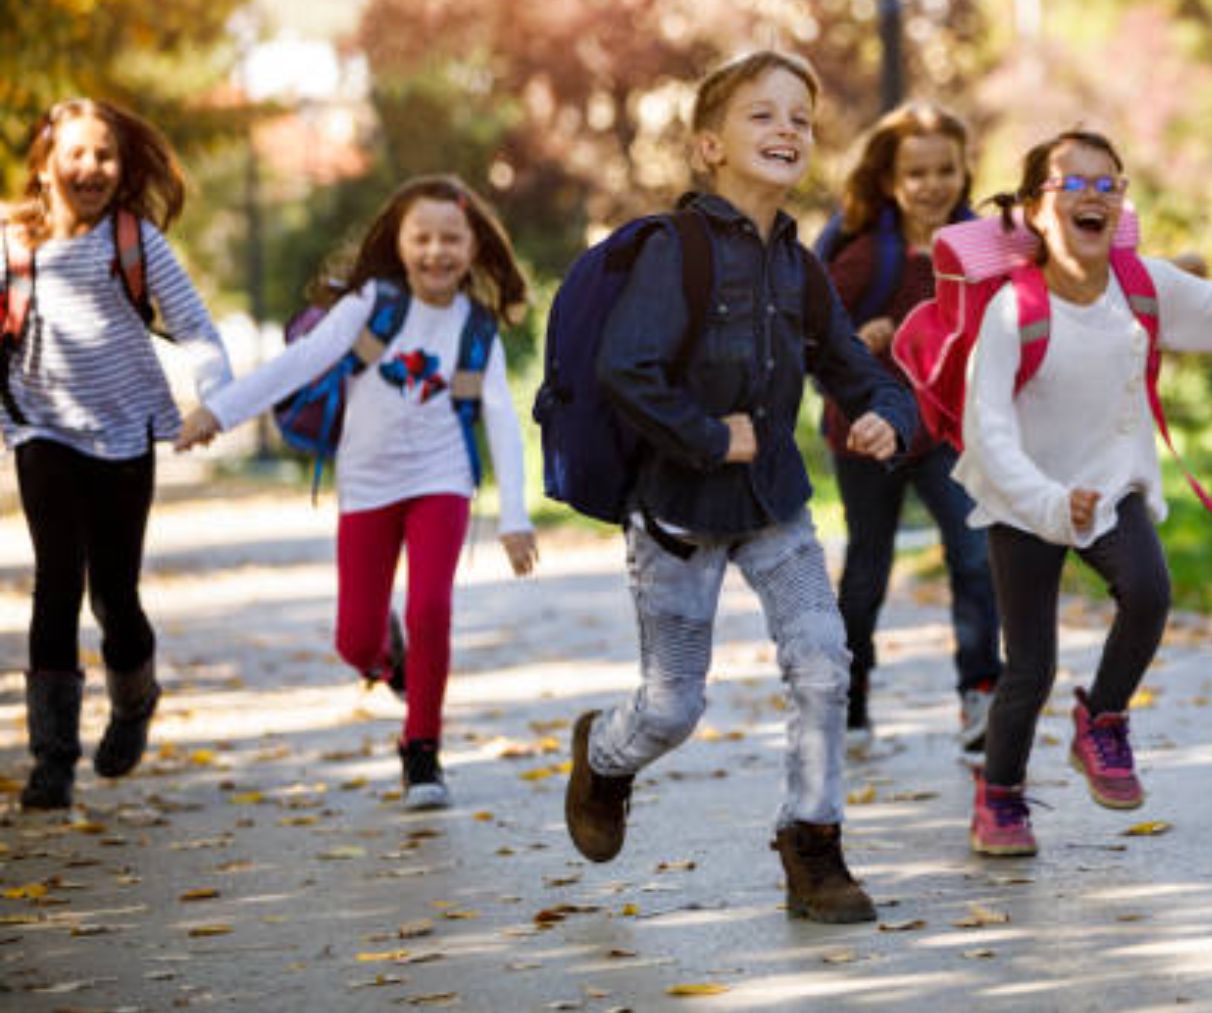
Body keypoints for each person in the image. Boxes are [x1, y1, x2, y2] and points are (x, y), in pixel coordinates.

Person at [559, 50, 918, 925]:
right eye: (763, 115)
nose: (787, 129)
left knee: (825, 663)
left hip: (775, 509)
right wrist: (710, 435)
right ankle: (603, 756)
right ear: (708, 146)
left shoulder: (799, 266)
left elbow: (854, 366)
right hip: (676, 516)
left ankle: (814, 845)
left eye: (800, 116)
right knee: (673, 708)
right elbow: (625, 368)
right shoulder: (673, 251)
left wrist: (889, 416)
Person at [953, 130, 1212, 856]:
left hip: (1111, 485)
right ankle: (1000, 796)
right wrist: (1043, 500)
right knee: (1028, 668)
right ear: (1037, 210)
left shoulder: (1142, 287)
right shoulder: (1013, 312)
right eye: (1073, 184)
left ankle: (1102, 718)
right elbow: (989, 431)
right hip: (1025, 500)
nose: (1094, 195)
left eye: (1109, 183)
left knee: (1151, 588)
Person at [176, 174, 538, 810]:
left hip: (441, 481)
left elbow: (503, 419)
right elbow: (299, 363)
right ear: (397, 243)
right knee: (355, 642)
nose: (436, 251)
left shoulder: (475, 328)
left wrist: (514, 516)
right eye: (421, 237)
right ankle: (392, 663)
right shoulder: (371, 304)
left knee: (431, 609)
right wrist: (220, 412)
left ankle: (422, 750)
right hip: (368, 486)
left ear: (474, 247)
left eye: (451, 239)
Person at [2, 98, 234, 810]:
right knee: (56, 582)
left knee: (114, 593)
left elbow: (195, 324)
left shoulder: (134, 240)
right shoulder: (13, 244)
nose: (91, 167)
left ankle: (134, 700)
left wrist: (211, 400)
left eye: (105, 155)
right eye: (74, 154)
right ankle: (53, 760)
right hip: (41, 427)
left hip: (127, 433)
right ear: (44, 165)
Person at [816, 102, 1002, 754]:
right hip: (867, 430)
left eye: (945, 169)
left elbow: (1035, 294)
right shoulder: (871, 252)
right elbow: (814, 328)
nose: (932, 184)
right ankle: (852, 695)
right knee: (868, 567)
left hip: (945, 429)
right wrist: (857, 340)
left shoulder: (982, 244)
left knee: (975, 553)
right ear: (891, 178)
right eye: (916, 171)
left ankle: (980, 692)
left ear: (964, 170)